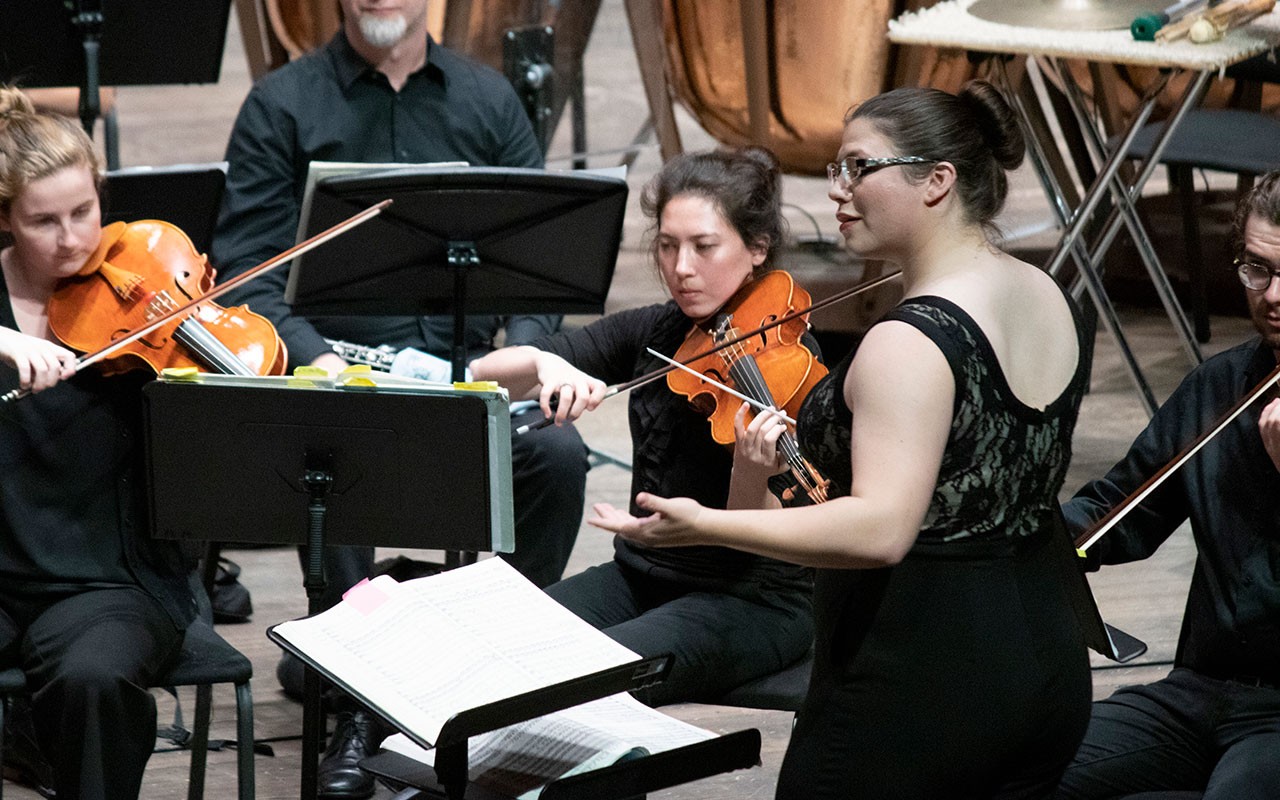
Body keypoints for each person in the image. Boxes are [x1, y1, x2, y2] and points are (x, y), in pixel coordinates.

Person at [588, 81, 1095, 799]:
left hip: (922, 674)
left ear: (937, 182)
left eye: (860, 167)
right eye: (836, 169)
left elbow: (884, 529)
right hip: (1046, 655)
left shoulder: (909, 340)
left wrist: (703, 521)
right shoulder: (1049, 295)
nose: (837, 190)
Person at [207, 1, 588, 795]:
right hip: (338, 376)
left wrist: (524, 350)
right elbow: (248, 271)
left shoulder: (488, 101)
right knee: (344, 450)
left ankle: (492, 674)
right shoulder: (282, 104)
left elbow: (536, 266)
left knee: (555, 453)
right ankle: (357, 702)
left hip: (465, 373)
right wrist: (318, 364)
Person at [470, 145, 815, 707]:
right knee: (493, 646)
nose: (681, 268)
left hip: (750, 600)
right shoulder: (656, 331)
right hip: (641, 576)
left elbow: (771, 536)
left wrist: (746, 477)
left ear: (757, 249)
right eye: (667, 245)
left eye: (704, 247)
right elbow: (485, 377)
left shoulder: (788, 362)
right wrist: (542, 364)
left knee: (576, 685)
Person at [1055, 171, 1280, 800]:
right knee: (1029, 771)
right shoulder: (1219, 389)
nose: (1272, 296)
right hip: (1199, 690)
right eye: (1256, 270)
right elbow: (1119, 512)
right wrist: (1019, 527)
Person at [0, 86, 199, 800]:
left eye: (83, 211)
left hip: (106, 582)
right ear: (6, 222)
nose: (74, 239)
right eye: (43, 221)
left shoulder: (140, 299)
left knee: (92, 680)